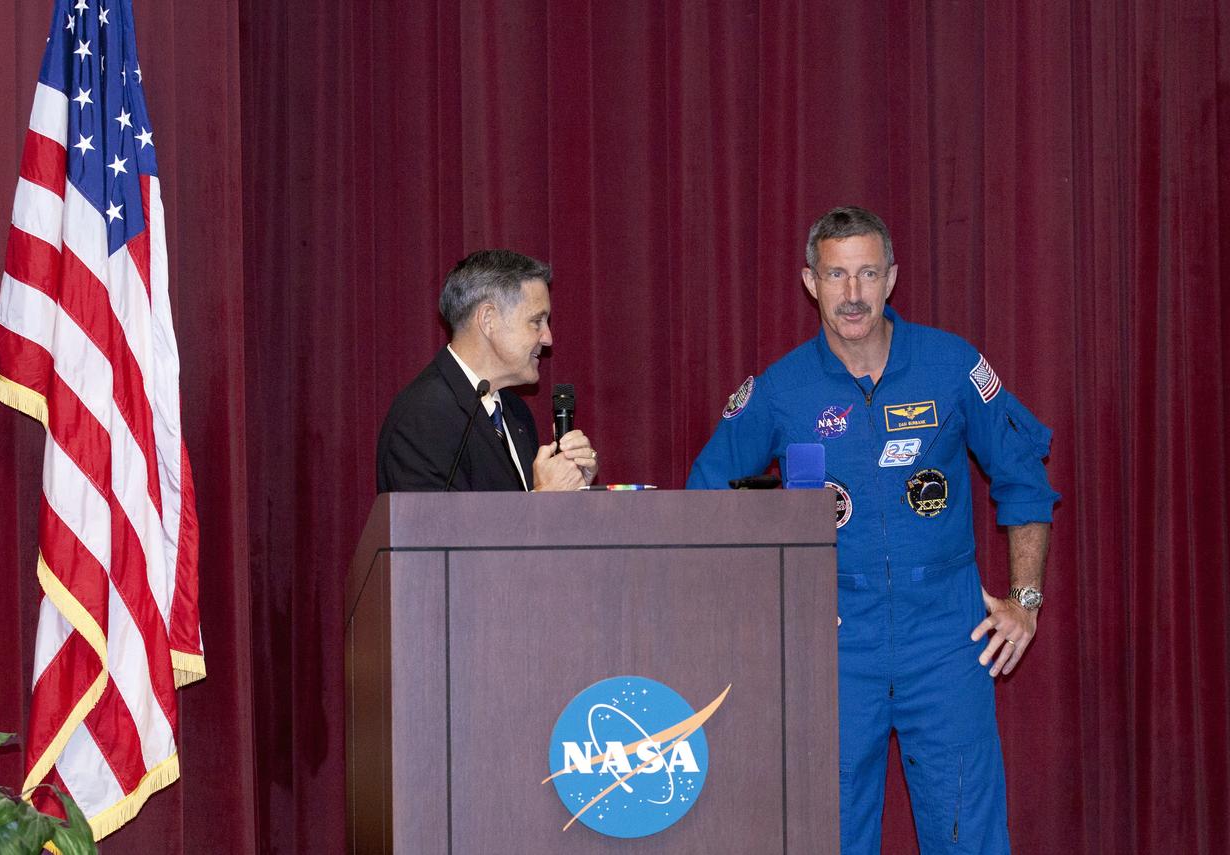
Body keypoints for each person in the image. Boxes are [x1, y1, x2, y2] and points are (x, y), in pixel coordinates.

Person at [687, 207, 1058, 854]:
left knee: (965, 828)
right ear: (810, 281)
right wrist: (771, 602)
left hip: (946, 631)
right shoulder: (781, 390)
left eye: (866, 273)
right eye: (836, 274)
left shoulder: (953, 366)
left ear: (892, 278)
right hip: (833, 637)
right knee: (827, 831)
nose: (852, 294)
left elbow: (1024, 474)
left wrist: (1024, 599)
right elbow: (706, 495)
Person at [377, 249, 598, 492]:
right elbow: (435, 529)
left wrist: (573, 490)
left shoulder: (515, 412)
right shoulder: (421, 418)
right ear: (488, 319)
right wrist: (546, 498)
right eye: (536, 321)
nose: (548, 338)